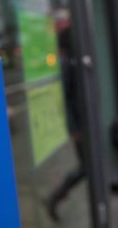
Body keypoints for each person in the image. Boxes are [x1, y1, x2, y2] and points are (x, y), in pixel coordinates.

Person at [46, 17, 85, 222]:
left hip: (83, 121)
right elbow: (66, 98)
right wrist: (75, 127)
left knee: (86, 166)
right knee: (85, 167)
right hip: (79, 123)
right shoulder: (67, 63)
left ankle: (57, 196)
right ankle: (55, 197)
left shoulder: (75, 60)